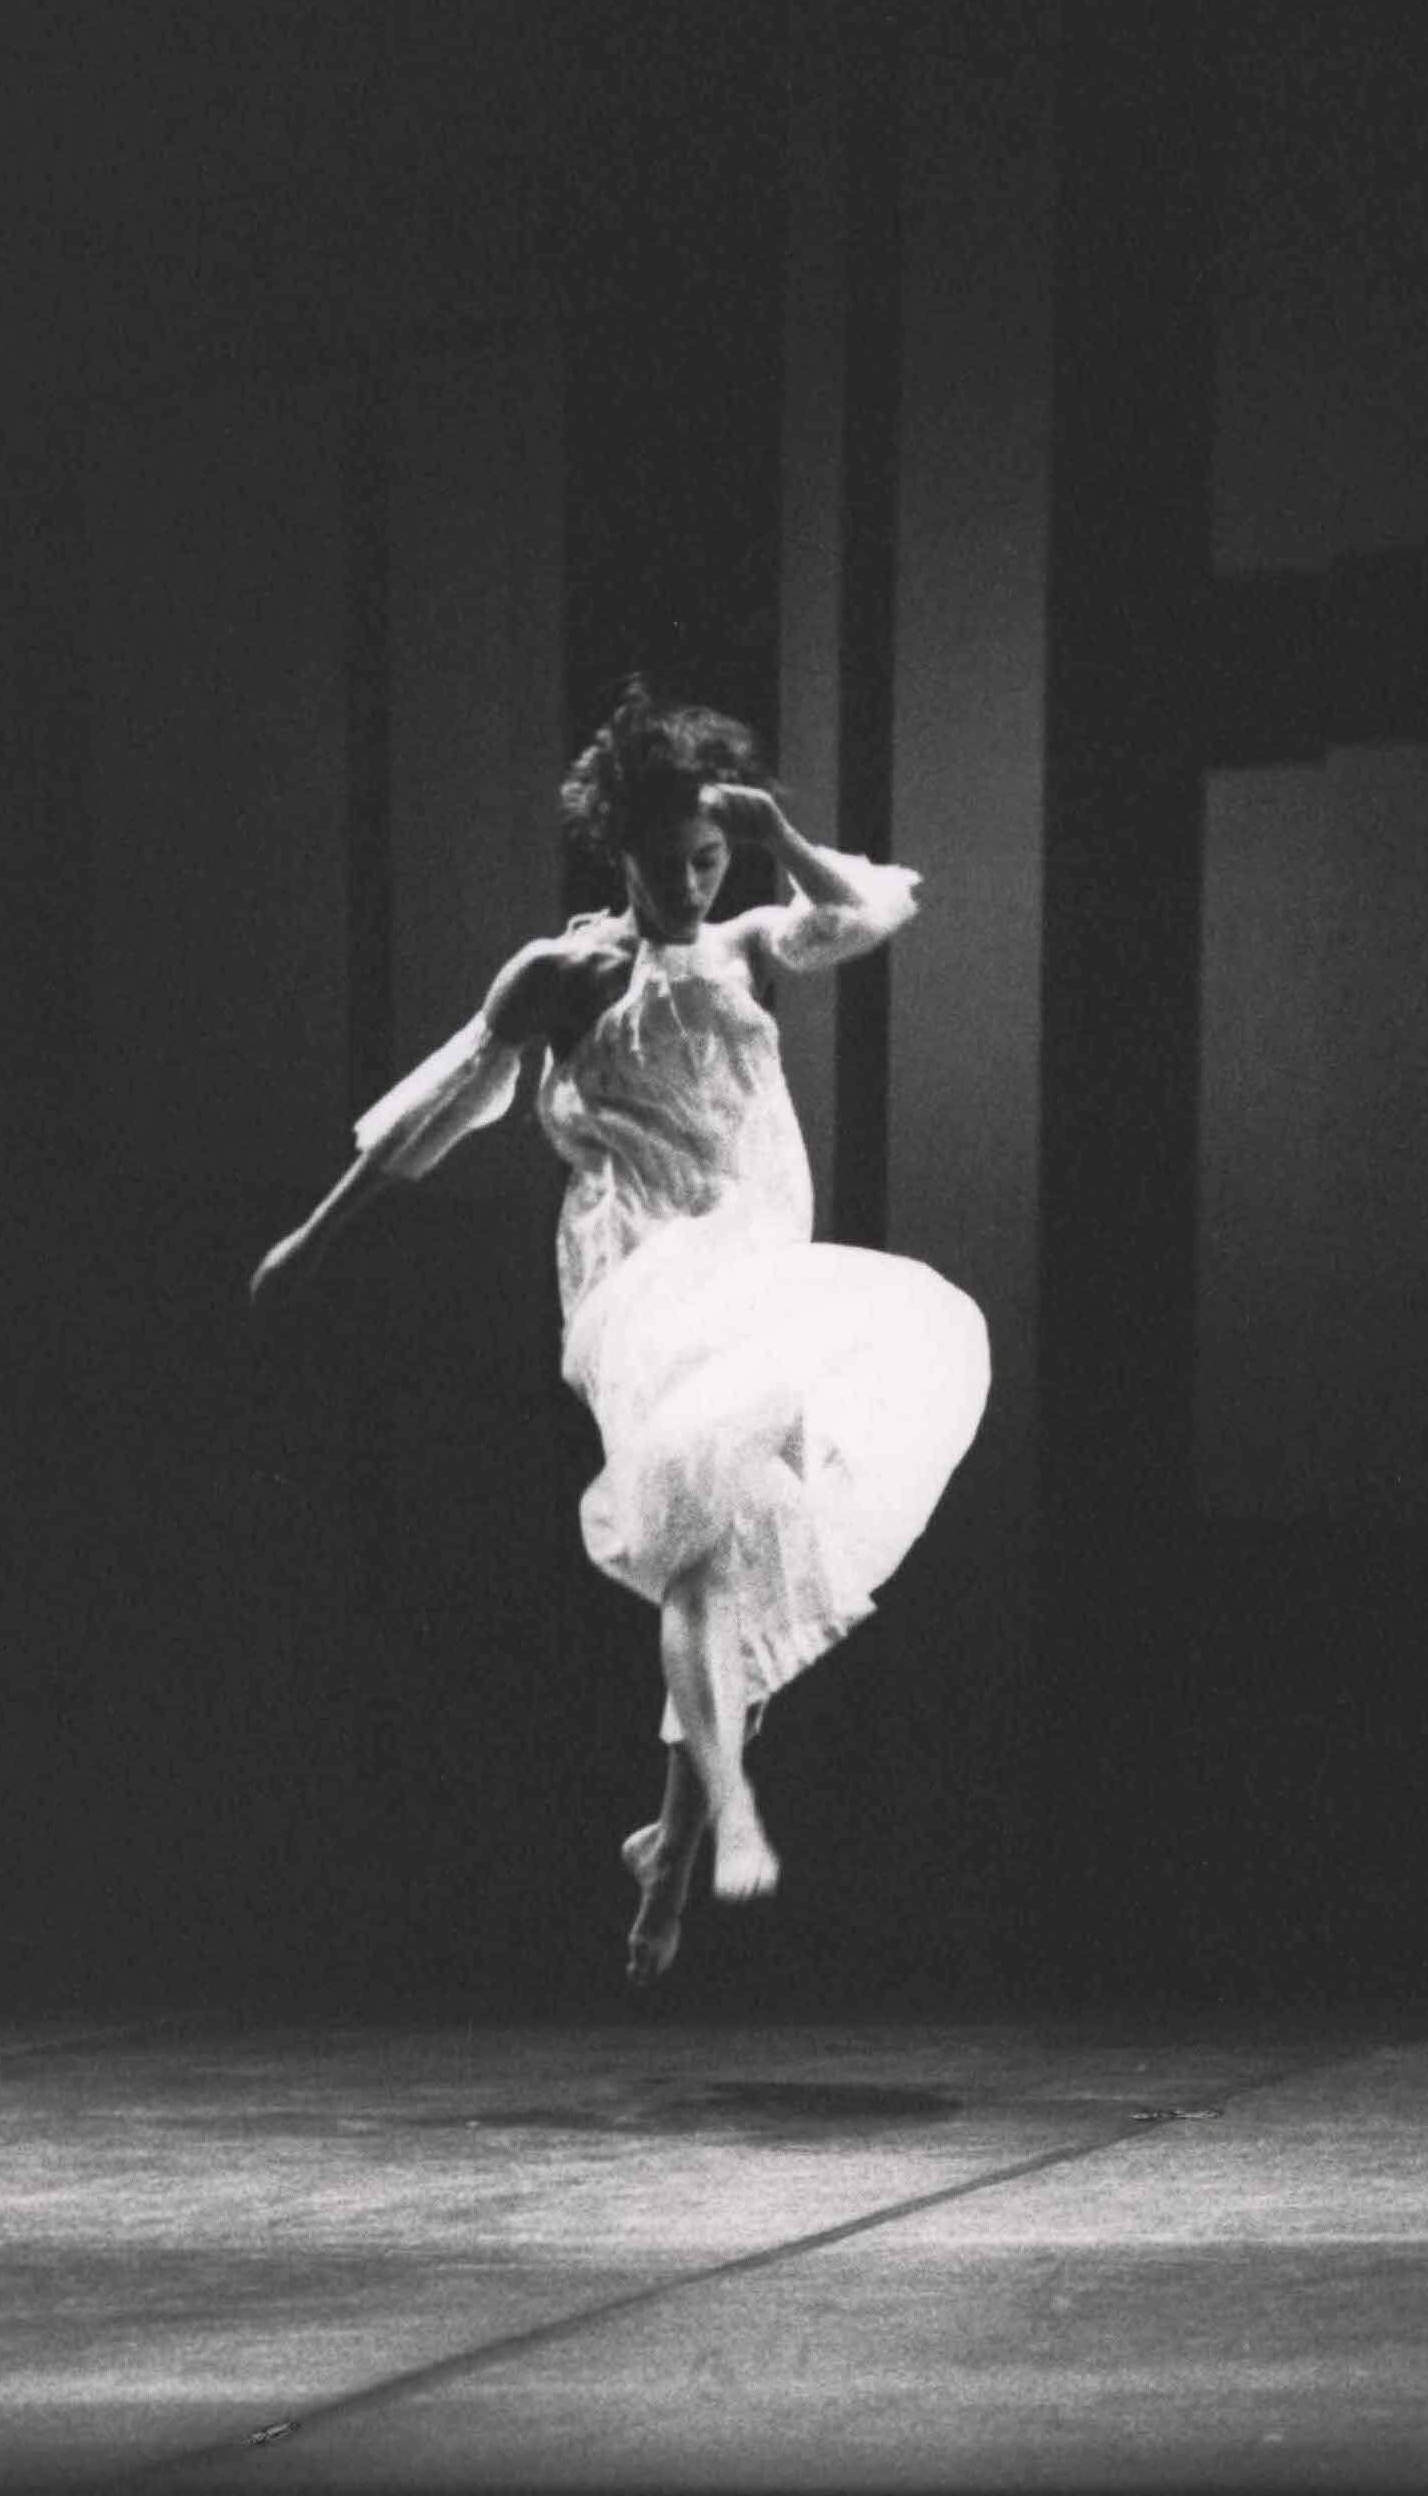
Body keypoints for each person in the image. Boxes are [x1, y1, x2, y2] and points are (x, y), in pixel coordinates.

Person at [252, 684, 989, 1983]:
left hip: (760, 1275)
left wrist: (777, 834)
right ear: (622, 852)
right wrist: (316, 1233)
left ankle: (673, 1840)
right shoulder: (564, 974)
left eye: (710, 859)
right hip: (640, 1288)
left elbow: (871, 910)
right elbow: (438, 1104)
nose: (695, 884)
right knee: (698, 1523)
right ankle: (717, 1825)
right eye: (672, 861)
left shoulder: (754, 938)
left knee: (735, 1554)